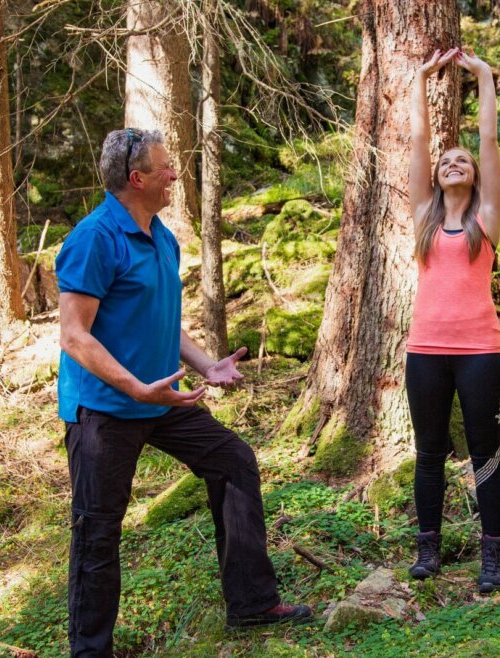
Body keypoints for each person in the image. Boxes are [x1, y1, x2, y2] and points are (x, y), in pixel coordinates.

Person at [55, 128, 310, 656]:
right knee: (98, 532)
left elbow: (160, 321)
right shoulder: (94, 238)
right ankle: (89, 651)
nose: (176, 174)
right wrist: (135, 389)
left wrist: (205, 365)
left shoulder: (161, 235)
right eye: (167, 167)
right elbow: (74, 335)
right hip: (103, 408)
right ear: (137, 178)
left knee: (234, 462)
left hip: (160, 399)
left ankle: (251, 603)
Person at [405, 46, 500, 594]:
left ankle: (493, 554)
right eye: (447, 161)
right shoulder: (423, 215)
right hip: (424, 350)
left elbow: (488, 142)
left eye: (461, 161)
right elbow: (419, 143)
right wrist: (422, 80)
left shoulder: (486, 219)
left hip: (478, 350)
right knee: (428, 451)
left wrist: (485, 77)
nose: (452, 163)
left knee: (484, 448)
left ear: (472, 177)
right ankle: (429, 549)